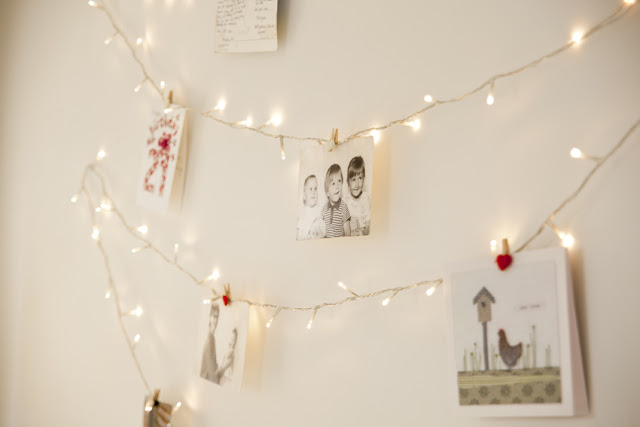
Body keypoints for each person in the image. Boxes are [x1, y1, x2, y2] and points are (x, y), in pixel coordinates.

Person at [344, 156, 371, 236]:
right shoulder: (345, 201)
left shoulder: (366, 199)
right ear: (348, 182)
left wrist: (363, 232)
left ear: (364, 179)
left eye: (360, 178)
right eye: (353, 179)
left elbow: (369, 224)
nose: (357, 184)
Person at [322, 164, 351, 238]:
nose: (337, 186)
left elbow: (348, 234)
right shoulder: (324, 209)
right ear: (327, 193)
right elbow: (323, 231)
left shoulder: (343, 207)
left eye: (339, 181)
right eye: (333, 183)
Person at [297, 175, 326, 240]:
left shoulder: (319, 210)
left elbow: (323, 228)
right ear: (304, 195)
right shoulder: (304, 213)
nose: (313, 192)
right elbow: (298, 235)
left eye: (315, 189)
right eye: (310, 189)